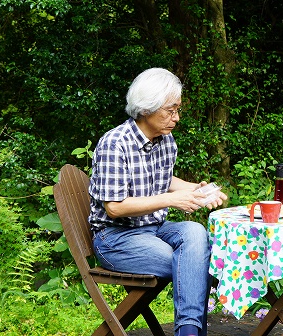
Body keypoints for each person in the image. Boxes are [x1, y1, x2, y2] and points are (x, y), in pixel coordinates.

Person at [88, 67, 227, 336]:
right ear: (146, 108)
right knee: (197, 263)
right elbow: (114, 207)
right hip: (115, 238)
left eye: (177, 110)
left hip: (154, 229)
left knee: (195, 233)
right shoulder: (114, 144)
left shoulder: (165, 139)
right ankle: (190, 332)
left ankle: (187, 331)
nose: (176, 118)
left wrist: (195, 190)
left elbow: (164, 180)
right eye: (170, 110)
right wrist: (172, 200)